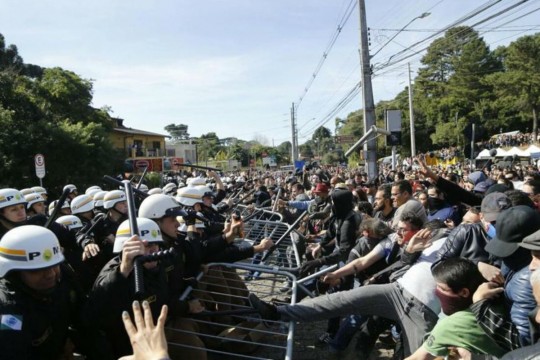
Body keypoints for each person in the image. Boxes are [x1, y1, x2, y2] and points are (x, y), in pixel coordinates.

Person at [0, 225, 86, 359]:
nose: (51, 274)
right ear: (14, 274)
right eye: (36, 270)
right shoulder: (8, 310)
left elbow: (87, 317)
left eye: (54, 265)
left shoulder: (64, 280)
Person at [406, 258, 506, 360]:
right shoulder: (496, 304)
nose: (436, 291)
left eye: (442, 288)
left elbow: (418, 358)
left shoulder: (451, 326)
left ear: (464, 292)